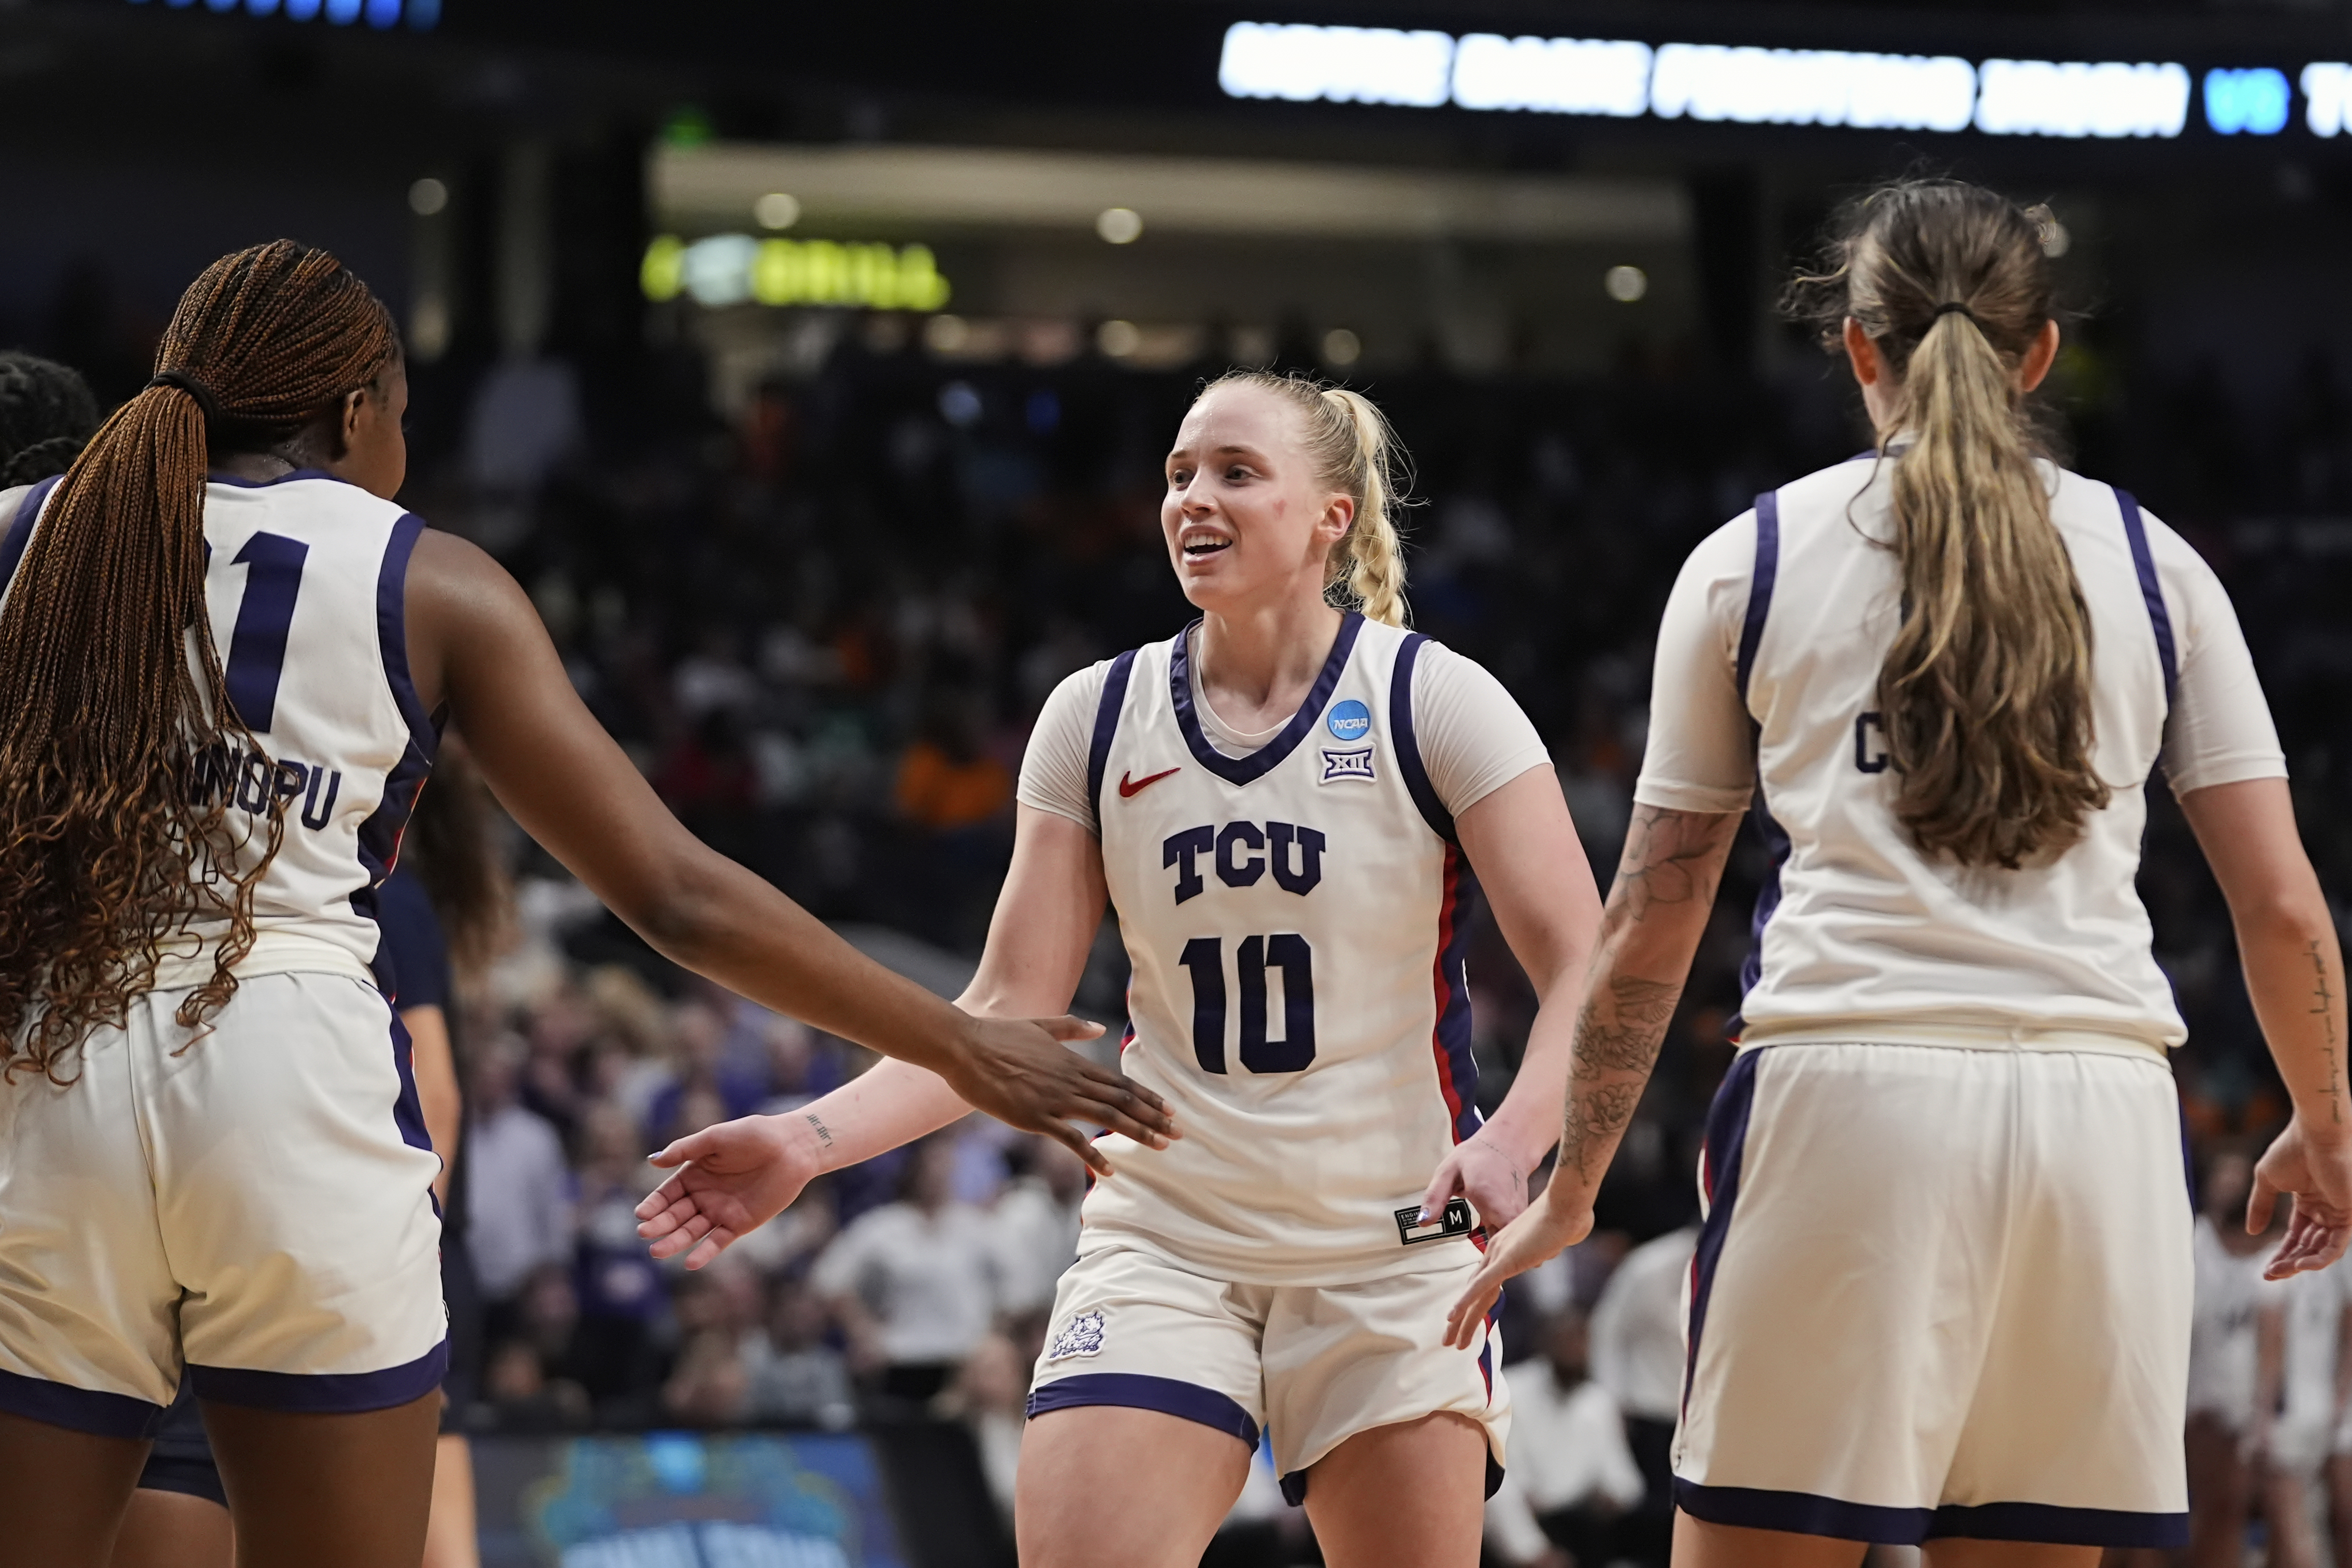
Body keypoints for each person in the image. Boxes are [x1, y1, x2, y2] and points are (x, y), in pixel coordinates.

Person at [0, 239, 1174, 1568]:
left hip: (53, 1068)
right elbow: (675, 896)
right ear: (354, 411)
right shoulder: (428, 576)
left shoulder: (25, 536)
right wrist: (958, 1042)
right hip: (287, 1072)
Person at [1446, 176, 2352, 1566]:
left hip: (1845, 1098)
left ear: (1857, 347)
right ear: (2038, 353)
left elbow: (1653, 918)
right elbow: (2280, 903)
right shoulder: (2158, 566)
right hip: (2100, 1122)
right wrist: (2325, 1116)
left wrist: (1574, 1183)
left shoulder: (1751, 559)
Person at [639, 369, 1606, 1568]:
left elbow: (1587, 964)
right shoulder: (1094, 717)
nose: (1193, 497)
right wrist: (806, 1138)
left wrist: (1515, 1138)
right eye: (1178, 474)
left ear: (1331, 517)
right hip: (1168, 1235)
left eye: (1235, 473)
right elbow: (1003, 1015)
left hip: (1393, 1243)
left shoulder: (1432, 698)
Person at [1483, 1307, 1646, 1568]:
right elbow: (1505, 1479)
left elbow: (1623, 1480)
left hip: (1579, 1523)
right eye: (1567, 1340)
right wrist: (1532, 1552)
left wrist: (1615, 1495)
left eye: (1582, 1341)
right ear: (1546, 1343)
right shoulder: (1510, 1390)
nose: (1575, 1350)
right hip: (1526, 1519)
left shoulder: (1597, 1402)